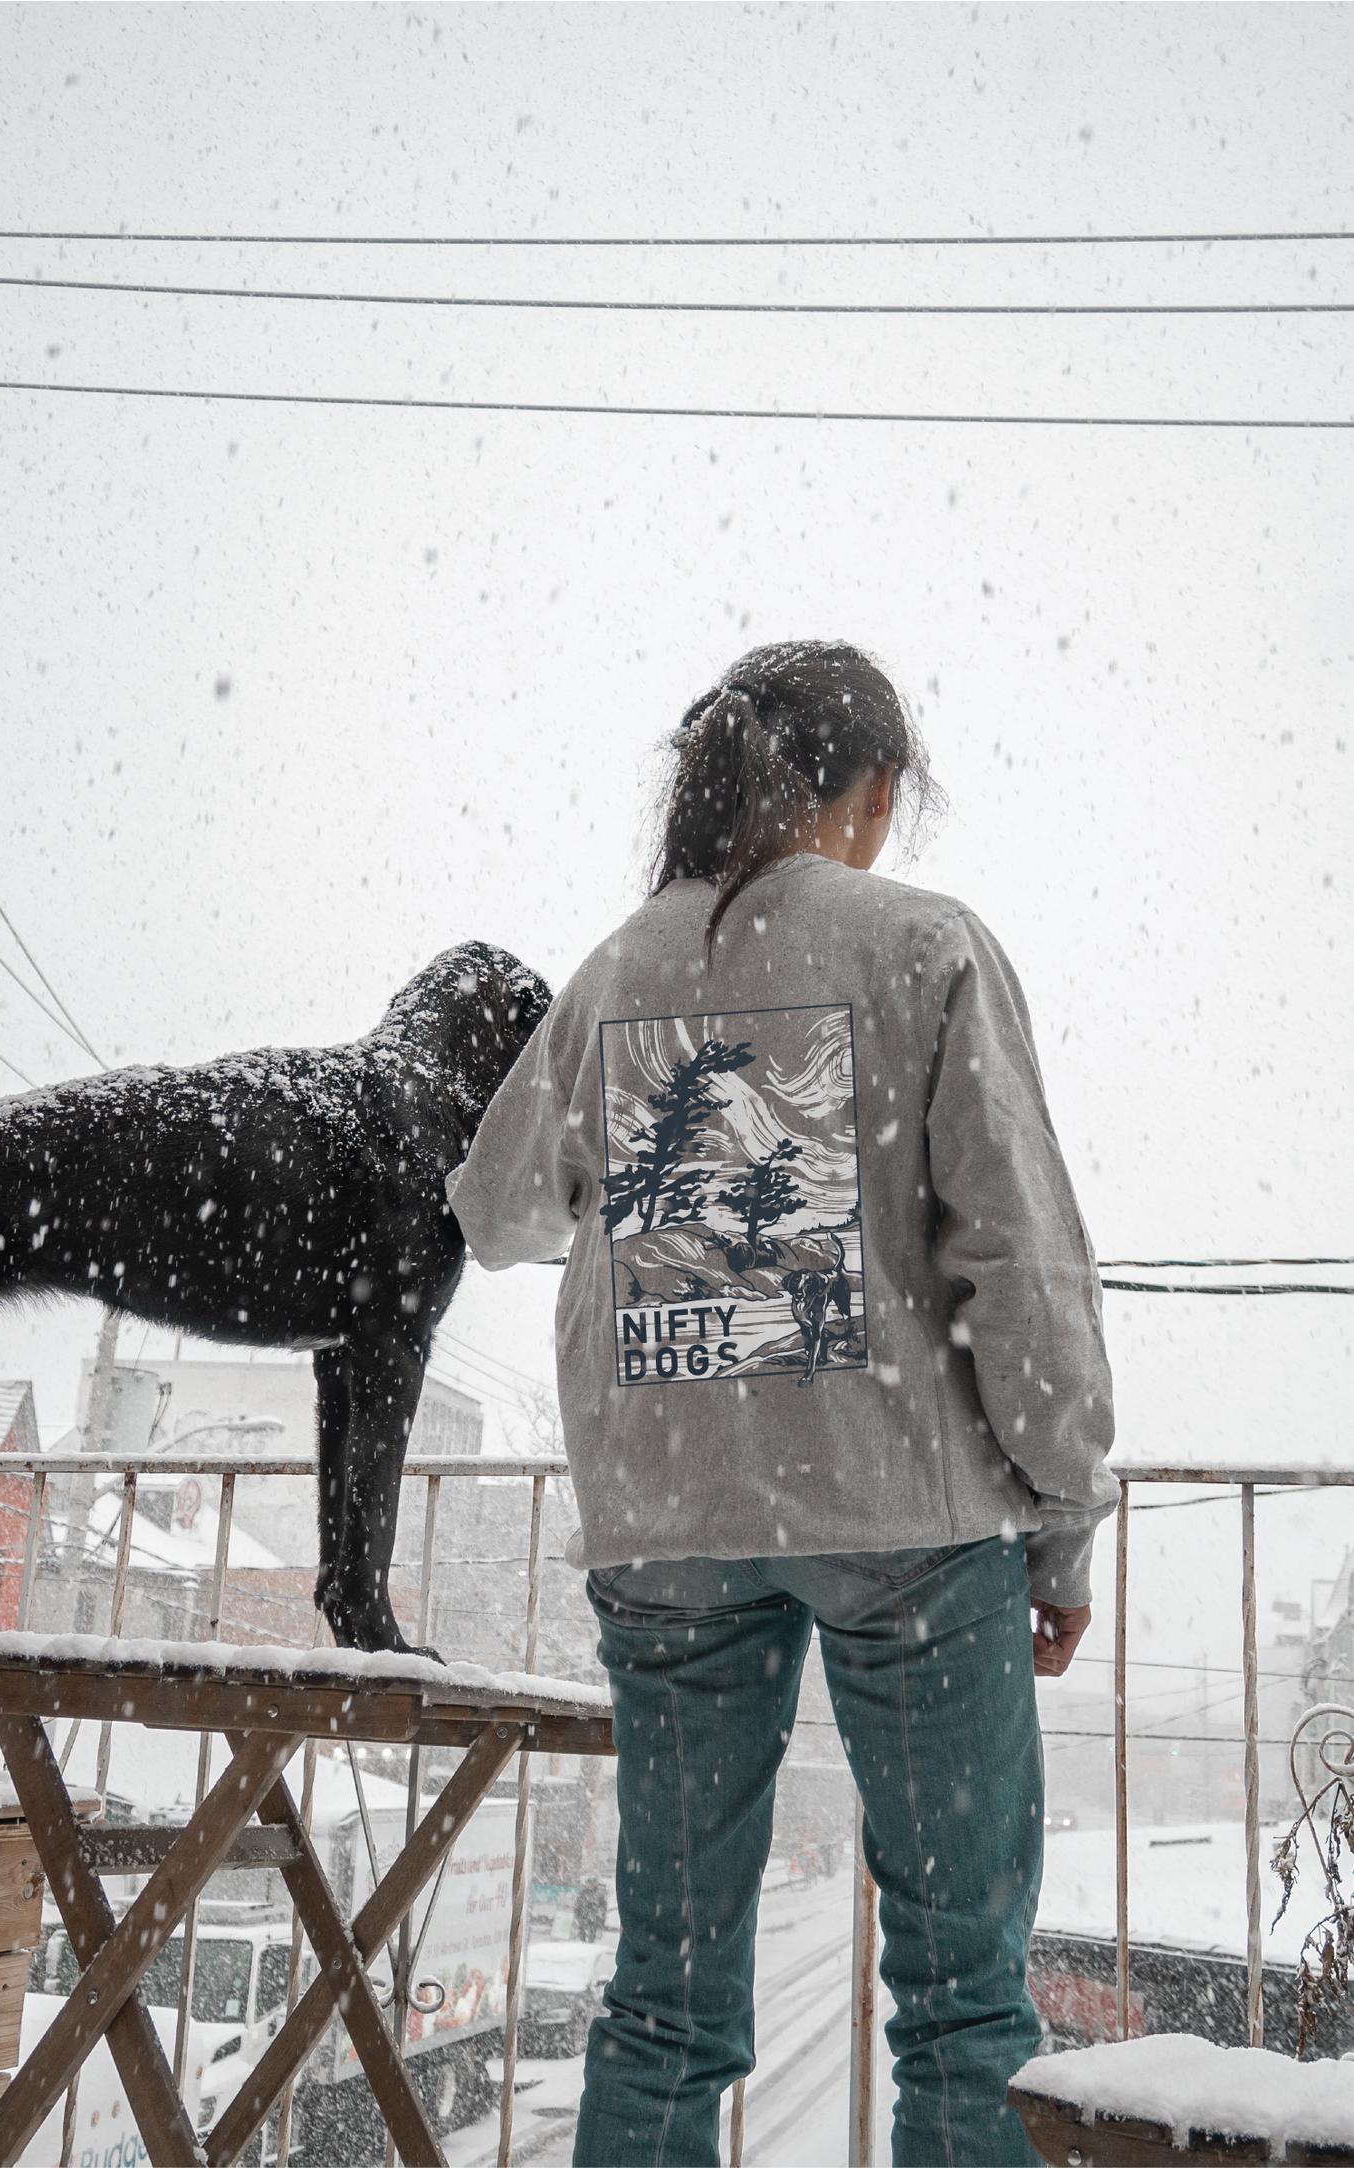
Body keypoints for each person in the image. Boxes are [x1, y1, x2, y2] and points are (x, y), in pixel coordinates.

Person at [446, 640, 1116, 2168]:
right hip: (903, 1515)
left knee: (665, 2000)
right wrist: (1064, 1521)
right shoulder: (923, 943)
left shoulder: (621, 966)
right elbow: (1021, 1264)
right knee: (963, 2002)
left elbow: (494, 1209)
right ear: (873, 792)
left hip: (668, 1529)